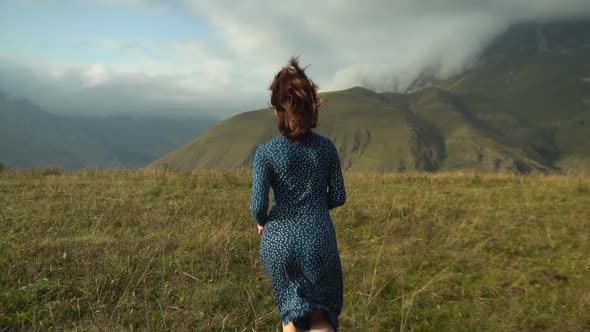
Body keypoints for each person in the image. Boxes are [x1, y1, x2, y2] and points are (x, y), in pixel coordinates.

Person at [250, 57, 346, 332]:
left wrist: (262, 221)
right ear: (311, 108)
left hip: (278, 240)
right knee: (319, 317)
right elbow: (338, 195)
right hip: (319, 238)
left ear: (279, 111)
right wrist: (315, 206)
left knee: (291, 315)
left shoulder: (266, 153)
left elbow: (257, 205)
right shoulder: (327, 149)